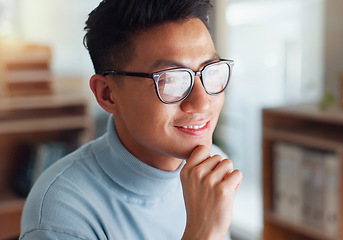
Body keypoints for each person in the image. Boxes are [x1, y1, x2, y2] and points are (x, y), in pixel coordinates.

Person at [20, 0, 242, 239]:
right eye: (171, 80)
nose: (203, 102)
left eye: (211, 70)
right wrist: (203, 232)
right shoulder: (61, 211)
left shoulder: (212, 169)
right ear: (108, 94)